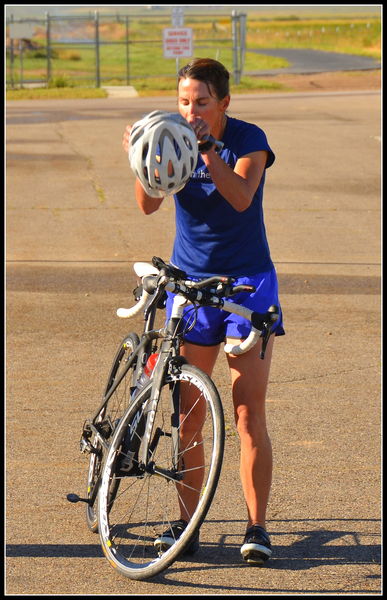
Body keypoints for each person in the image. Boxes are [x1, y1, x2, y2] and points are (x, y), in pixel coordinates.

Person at [122, 58, 284, 566]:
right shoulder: (170, 133)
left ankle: (256, 528)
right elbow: (148, 206)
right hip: (190, 288)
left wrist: (208, 150)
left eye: (202, 102)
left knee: (245, 412)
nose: (191, 111)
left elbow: (240, 198)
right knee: (187, 416)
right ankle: (187, 524)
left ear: (224, 104)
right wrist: (141, 156)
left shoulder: (248, 140)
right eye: (184, 101)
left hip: (247, 286)